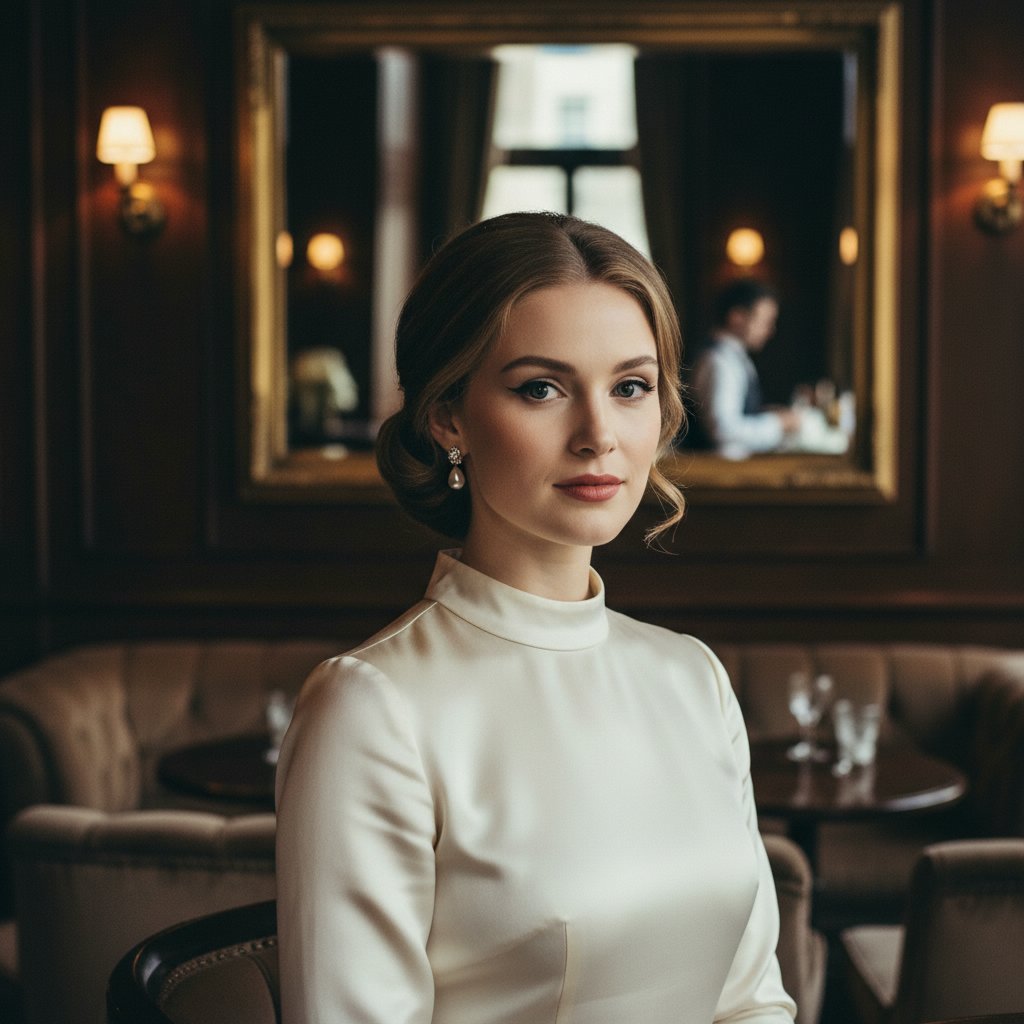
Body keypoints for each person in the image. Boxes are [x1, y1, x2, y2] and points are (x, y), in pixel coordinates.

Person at [275, 212, 797, 1024]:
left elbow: (752, 1002)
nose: (598, 436)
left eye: (631, 387)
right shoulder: (372, 709)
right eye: (541, 388)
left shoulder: (692, 679)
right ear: (448, 415)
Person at [687, 279, 802, 459]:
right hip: (716, 473)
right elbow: (724, 431)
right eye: (765, 321)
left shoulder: (732, 357)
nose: (770, 330)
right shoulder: (719, 361)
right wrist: (779, 423)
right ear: (737, 317)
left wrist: (765, 413)